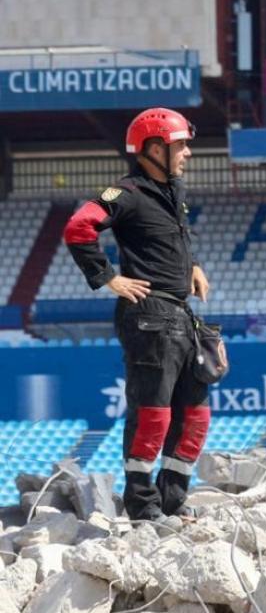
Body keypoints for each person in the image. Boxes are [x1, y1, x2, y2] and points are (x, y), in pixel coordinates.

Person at [62, 107, 211, 521]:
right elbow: (78, 227)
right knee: (153, 415)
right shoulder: (126, 193)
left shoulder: (173, 193)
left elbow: (173, 240)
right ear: (153, 148)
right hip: (149, 318)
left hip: (181, 316)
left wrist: (192, 265)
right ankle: (143, 509)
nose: (188, 154)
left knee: (195, 416)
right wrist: (108, 277)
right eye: (180, 145)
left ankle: (173, 501)